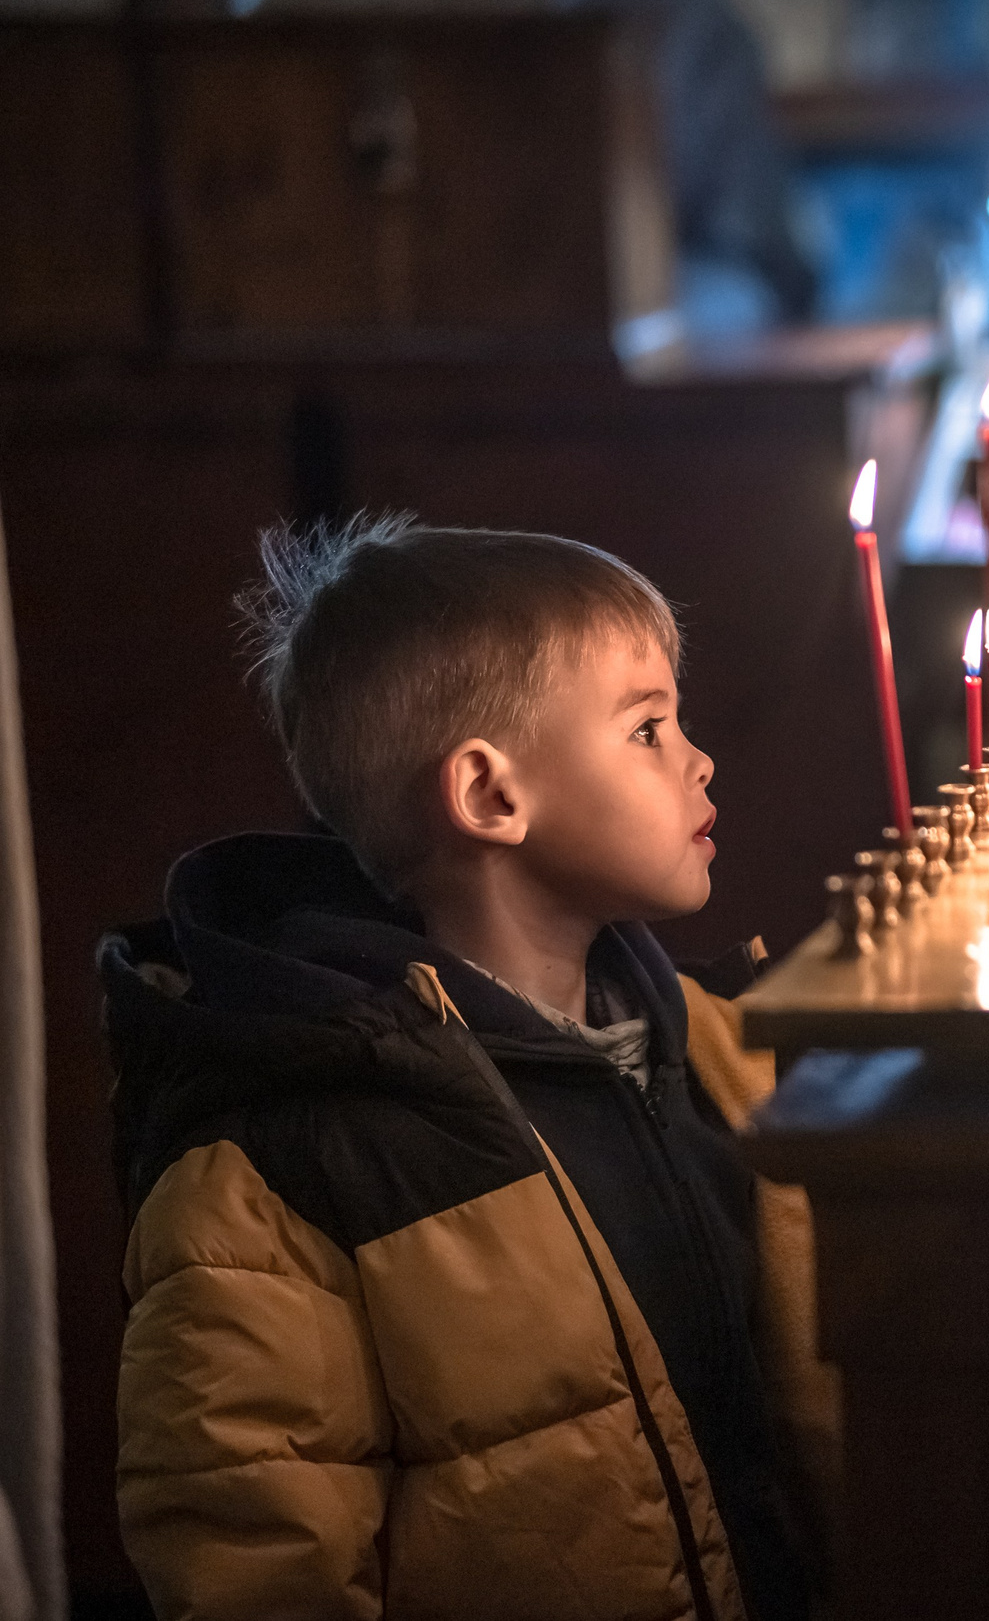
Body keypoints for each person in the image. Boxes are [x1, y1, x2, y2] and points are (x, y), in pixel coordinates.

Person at [102, 519, 818, 1621]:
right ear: (490, 795)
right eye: (647, 727)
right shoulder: (283, 1164)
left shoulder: (720, 1049)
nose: (698, 758)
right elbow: (256, 1559)